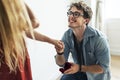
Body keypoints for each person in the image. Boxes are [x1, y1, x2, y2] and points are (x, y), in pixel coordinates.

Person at [0, 0, 61, 80]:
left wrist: (51, 40)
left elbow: (27, 29)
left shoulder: (12, 27)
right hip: (10, 63)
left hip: (17, 61)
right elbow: (35, 22)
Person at [55, 1, 111, 80]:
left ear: (86, 21)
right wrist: (59, 53)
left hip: (96, 76)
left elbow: (103, 68)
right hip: (79, 72)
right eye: (70, 13)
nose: (71, 16)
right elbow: (60, 63)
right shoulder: (67, 36)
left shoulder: (99, 39)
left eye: (76, 14)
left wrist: (79, 68)